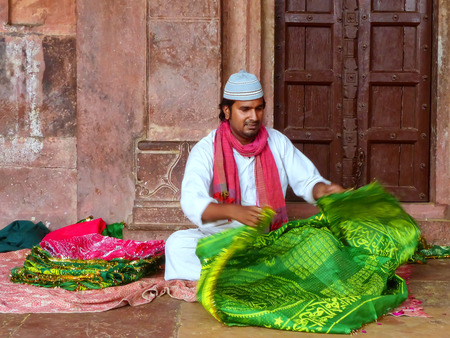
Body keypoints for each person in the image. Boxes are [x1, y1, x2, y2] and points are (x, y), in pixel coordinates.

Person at [164, 70, 345, 281]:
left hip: (269, 240)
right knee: (177, 245)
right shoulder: (206, 149)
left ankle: (239, 277)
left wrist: (323, 190)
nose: (254, 117)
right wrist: (233, 211)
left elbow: (307, 180)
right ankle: (256, 276)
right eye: (245, 109)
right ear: (227, 110)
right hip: (222, 240)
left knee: (323, 242)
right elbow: (191, 201)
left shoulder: (277, 142)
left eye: (259, 109)